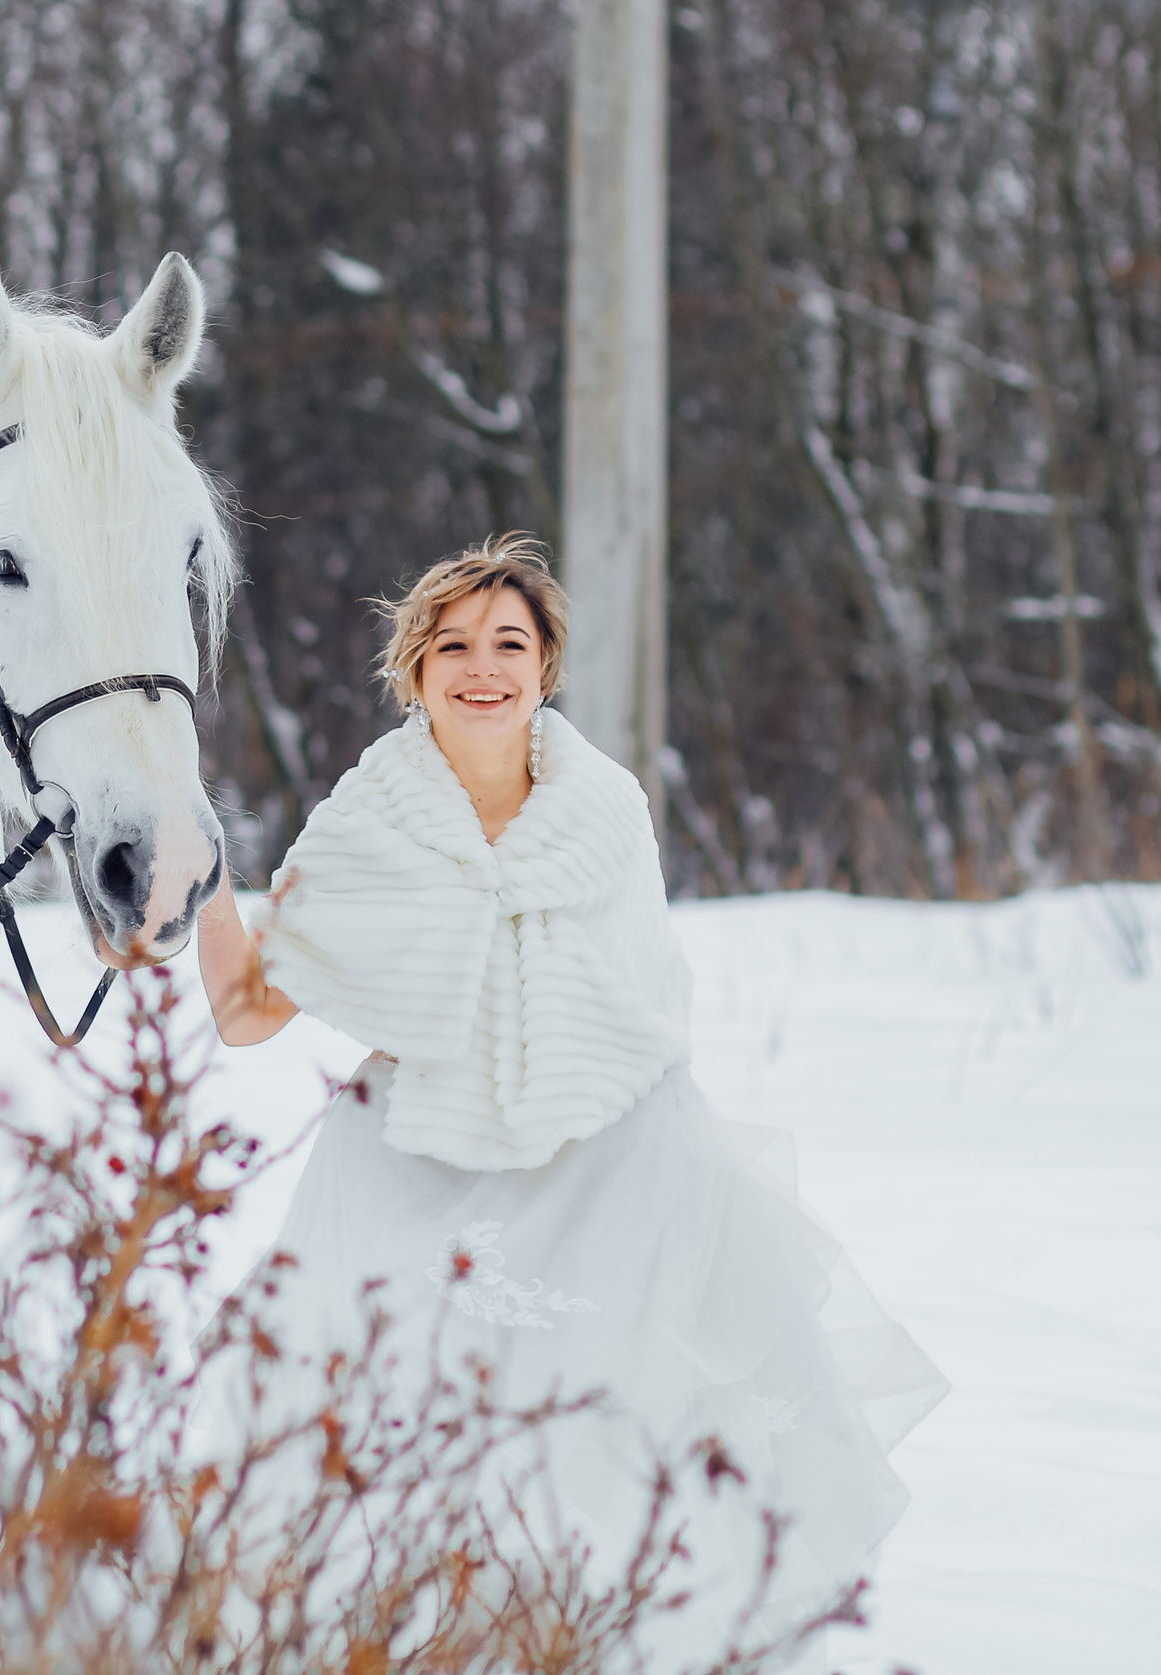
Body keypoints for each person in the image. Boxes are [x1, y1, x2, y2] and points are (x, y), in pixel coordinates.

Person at [190, 534, 946, 1659]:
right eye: (453, 646)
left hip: (604, 1156)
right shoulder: (366, 821)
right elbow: (250, 1011)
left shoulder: (606, 809)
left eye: (509, 643)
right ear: (415, 669)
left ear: (544, 666)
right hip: (417, 1163)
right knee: (416, 1424)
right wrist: (203, 877)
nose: (481, 668)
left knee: (604, 1428)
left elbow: (644, 1003)